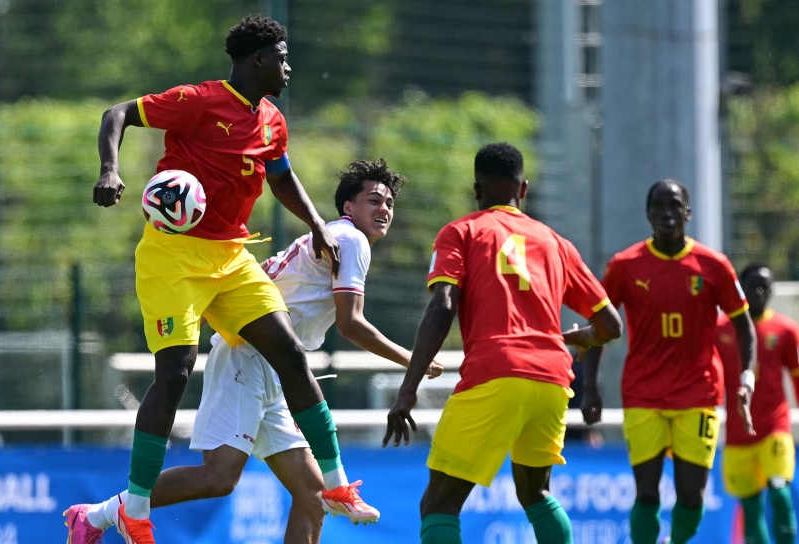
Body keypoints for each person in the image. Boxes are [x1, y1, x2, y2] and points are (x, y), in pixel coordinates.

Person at [68, 15, 349, 544]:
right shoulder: (199, 100)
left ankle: (335, 485)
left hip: (232, 257)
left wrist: (316, 225)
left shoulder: (272, 121)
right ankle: (134, 506)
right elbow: (117, 113)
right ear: (258, 59)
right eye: (282, 57)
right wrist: (110, 169)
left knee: (289, 354)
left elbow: (281, 176)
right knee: (174, 371)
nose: (289, 67)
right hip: (173, 257)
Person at [68, 159, 445, 543]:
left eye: (389, 204)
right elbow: (351, 324)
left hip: (277, 369)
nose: (384, 210)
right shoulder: (352, 240)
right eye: (374, 200)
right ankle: (99, 515)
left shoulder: (336, 236)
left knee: (311, 494)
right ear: (348, 207)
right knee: (218, 478)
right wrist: (413, 360)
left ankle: (100, 515)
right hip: (249, 359)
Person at [384, 142, 623, 544]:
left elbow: (442, 306)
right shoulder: (556, 243)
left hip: (495, 373)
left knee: (438, 505)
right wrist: (584, 336)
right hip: (552, 380)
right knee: (536, 493)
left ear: (477, 191)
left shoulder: (461, 232)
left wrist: (408, 389)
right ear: (523, 189)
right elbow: (611, 325)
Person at [580, 179, 757, 544]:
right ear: (647, 214)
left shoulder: (714, 266)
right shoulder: (625, 266)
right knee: (646, 492)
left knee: (692, 495)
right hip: (643, 393)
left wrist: (747, 378)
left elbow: (745, 327)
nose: (666, 212)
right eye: (658, 205)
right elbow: (600, 327)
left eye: (675, 205)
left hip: (700, 393)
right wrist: (590, 386)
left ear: (688, 213)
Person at [716, 263, 798, 544]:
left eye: (765, 287)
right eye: (753, 286)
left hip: (775, 429)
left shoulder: (786, 331)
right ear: (741, 289)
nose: (759, 292)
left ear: (772, 291)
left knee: (780, 493)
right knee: (750, 509)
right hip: (738, 436)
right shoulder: (721, 330)